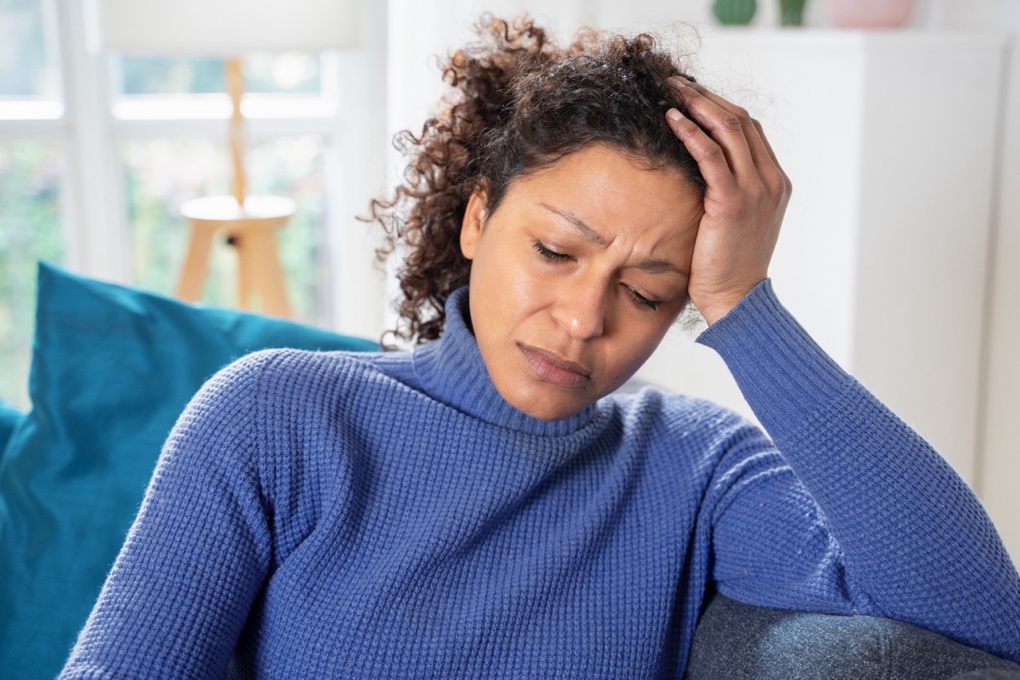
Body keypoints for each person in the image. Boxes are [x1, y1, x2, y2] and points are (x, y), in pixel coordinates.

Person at [61, 15, 1020, 678]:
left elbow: (982, 617)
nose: (583, 319)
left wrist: (746, 307)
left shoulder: (695, 467)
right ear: (478, 216)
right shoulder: (276, 415)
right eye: (555, 252)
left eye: (649, 292)